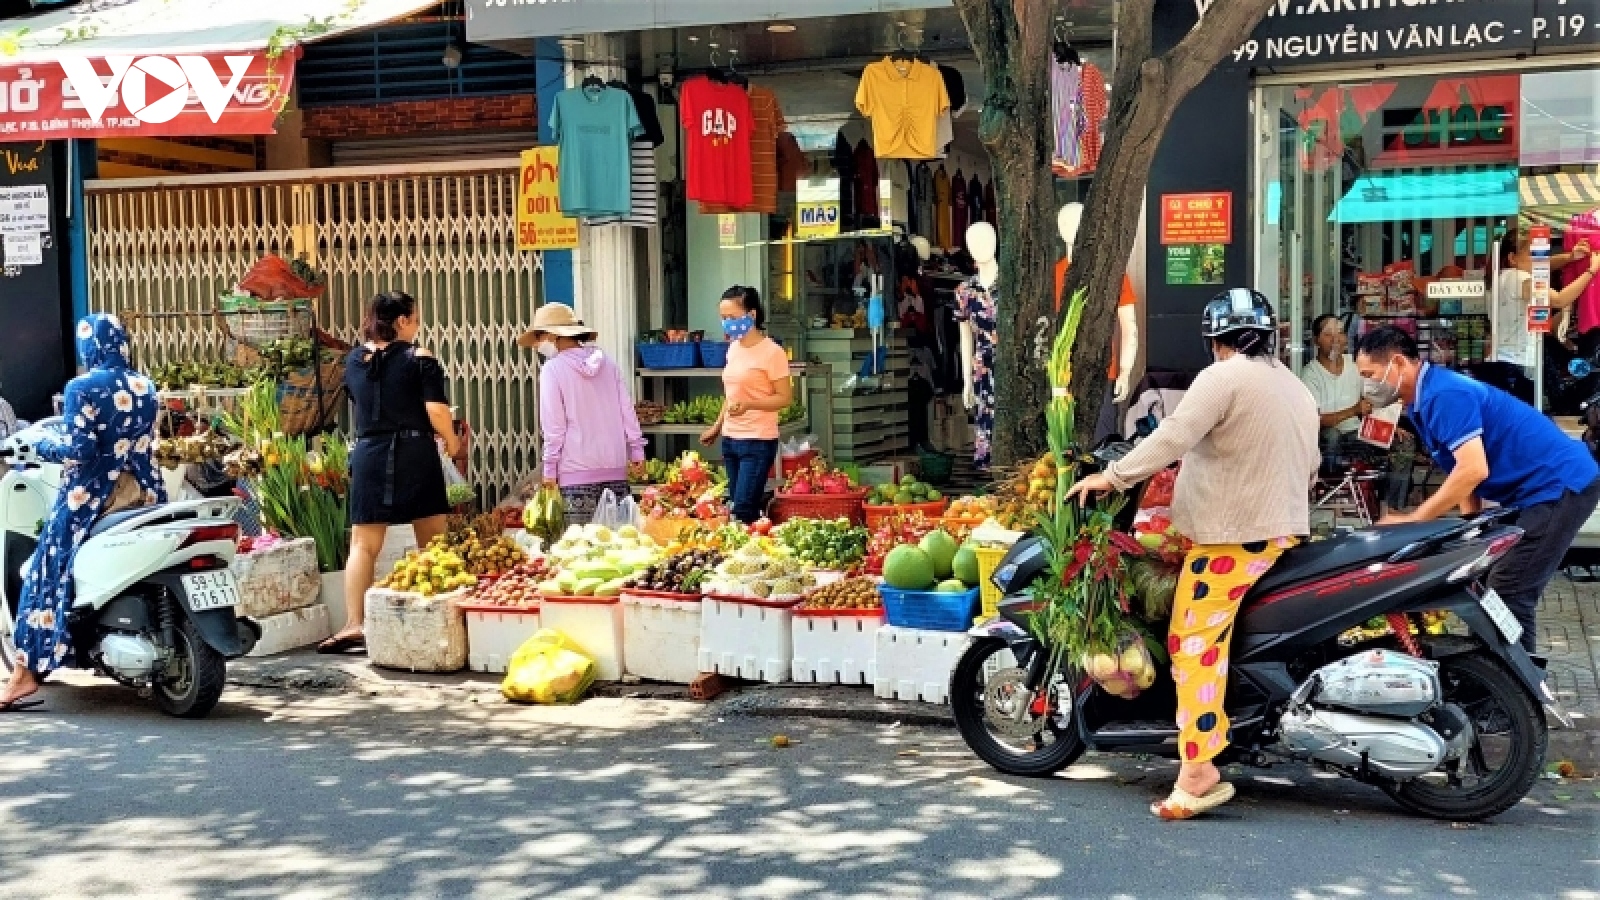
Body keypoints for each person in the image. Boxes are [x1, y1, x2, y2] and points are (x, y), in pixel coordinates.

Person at [1067, 289, 1320, 820]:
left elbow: (1174, 436)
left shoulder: (1223, 378)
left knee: (1192, 645)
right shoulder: (1292, 385)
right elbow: (1312, 464)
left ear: (1216, 341)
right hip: (1279, 532)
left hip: (1234, 539)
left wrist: (1112, 476)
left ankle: (1199, 770)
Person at [1355, 326, 1600, 653]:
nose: (1367, 385)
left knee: (1510, 589)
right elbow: (1461, 468)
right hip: (1530, 492)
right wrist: (1473, 526)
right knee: (1482, 580)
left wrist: (1415, 519)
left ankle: (1519, 693)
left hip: (1558, 485)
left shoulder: (1445, 395)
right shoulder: (1421, 401)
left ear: (1397, 363)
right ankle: (1491, 673)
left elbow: (1473, 469)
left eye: (1370, 374)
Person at [2, 315, 165, 711]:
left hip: (93, 494)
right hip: (146, 490)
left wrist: (42, 447)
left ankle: (24, 675)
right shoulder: (146, 385)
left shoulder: (81, 387)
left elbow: (82, 450)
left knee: (43, 572)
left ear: (88, 347)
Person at [319, 291, 458, 655]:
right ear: (401, 322)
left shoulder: (354, 360)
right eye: (415, 318)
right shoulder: (421, 359)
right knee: (433, 538)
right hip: (414, 451)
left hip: (368, 452)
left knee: (363, 544)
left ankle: (354, 624)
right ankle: (437, 611)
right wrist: (453, 441)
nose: (418, 326)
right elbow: (436, 411)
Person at [518, 304, 646, 525]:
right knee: (619, 549)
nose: (538, 344)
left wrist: (549, 470)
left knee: (581, 551)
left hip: (575, 473)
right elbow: (627, 410)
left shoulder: (553, 369)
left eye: (539, 337)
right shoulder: (608, 363)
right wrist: (636, 451)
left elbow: (554, 427)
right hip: (615, 469)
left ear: (552, 335)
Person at [1301, 313, 1414, 514]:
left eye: (1341, 333)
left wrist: (1388, 427)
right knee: (1333, 436)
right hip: (1328, 441)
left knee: (1403, 445)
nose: (1336, 339)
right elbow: (1317, 421)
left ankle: (1393, 509)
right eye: (1328, 334)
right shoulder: (1311, 374)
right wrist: (1354, 410)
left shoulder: (1354, 366)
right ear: (1316, 340)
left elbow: (1375, 399)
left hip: (1358, 434)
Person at [700, 286, 792, 524]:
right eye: (723, 318)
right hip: (731, 441)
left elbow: (784, 397)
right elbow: (732, 396)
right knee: (737, 506)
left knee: (743, 508)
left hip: (758, 441)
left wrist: (750, 404)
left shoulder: (773, 353)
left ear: (751, 315)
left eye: (731, 317)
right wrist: (717, 427)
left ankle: (757, 551)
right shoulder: (733, 349)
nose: (726, 323)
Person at [1486, 232, 1595, 400]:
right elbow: (1559, 299)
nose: (1539, 260)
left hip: (1502, 359)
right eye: (1532, 253)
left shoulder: (1499, 277)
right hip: (1518, 362)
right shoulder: (1521, 278)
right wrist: (1591, 271)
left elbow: (1543, 265)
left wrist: (1571, 257)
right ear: (1512, 258)